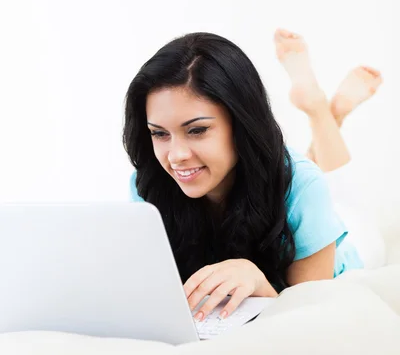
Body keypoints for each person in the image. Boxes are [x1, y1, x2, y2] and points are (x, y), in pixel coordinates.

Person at [123, 29, 384, 322]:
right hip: (284, 182)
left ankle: (320, 111)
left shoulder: (304, 185)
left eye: (197, 130)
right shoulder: (148, 185)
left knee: (332, 184)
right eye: (159, 133)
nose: (176, 155)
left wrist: (260, 285)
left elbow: (310, 316)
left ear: (242, 123)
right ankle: (327, 115)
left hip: (351, 248)